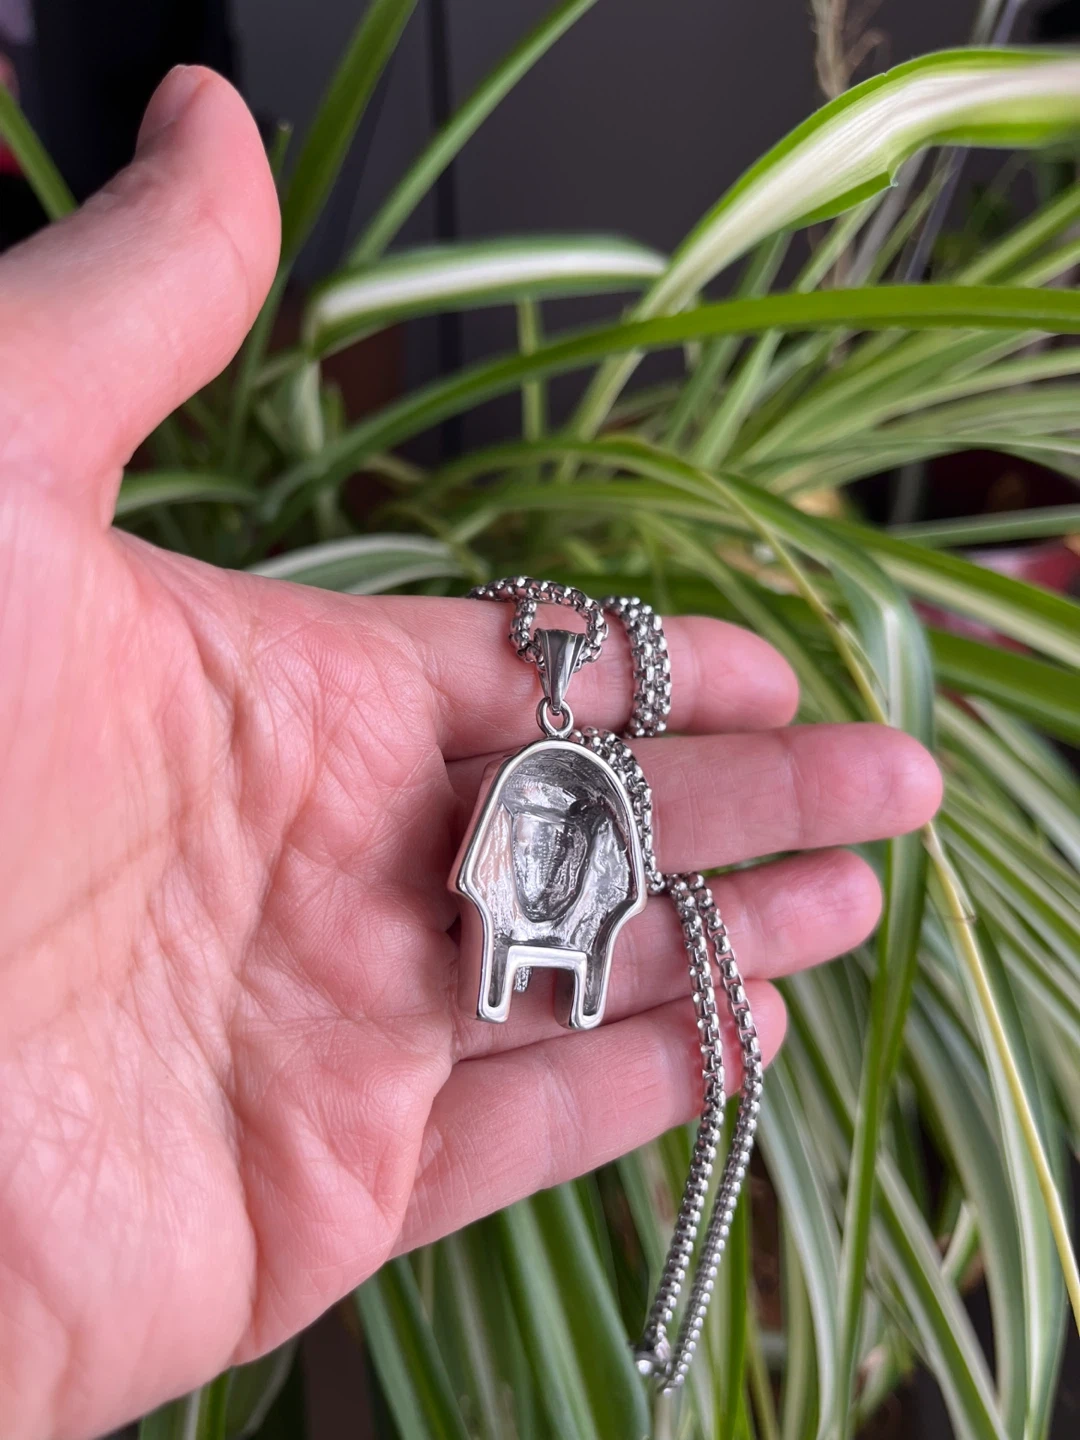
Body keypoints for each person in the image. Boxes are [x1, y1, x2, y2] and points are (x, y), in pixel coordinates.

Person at [0, 66, 942, 1440]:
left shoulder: (575, 804)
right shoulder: (520, 805)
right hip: (516, 885)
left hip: (568, 881)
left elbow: (585, 855)